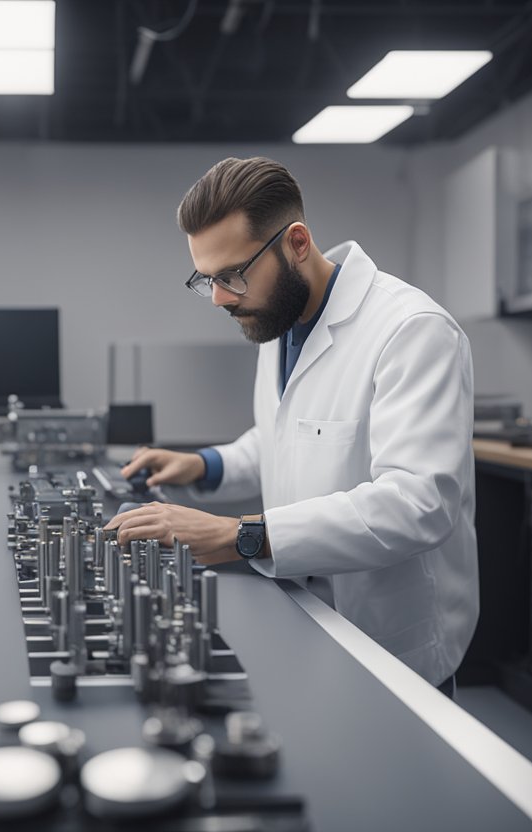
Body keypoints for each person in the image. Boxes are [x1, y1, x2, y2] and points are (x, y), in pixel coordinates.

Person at [105, 157, 478, 693]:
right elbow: (287, 439)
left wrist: (242, 536)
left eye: (231, 276)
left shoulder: (411, 330)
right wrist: (203, 465)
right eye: (206, 279)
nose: (218, 298)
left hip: (389, 641)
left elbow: (419, 503)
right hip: (306, 611)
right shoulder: (277, 317)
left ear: (296, 243)